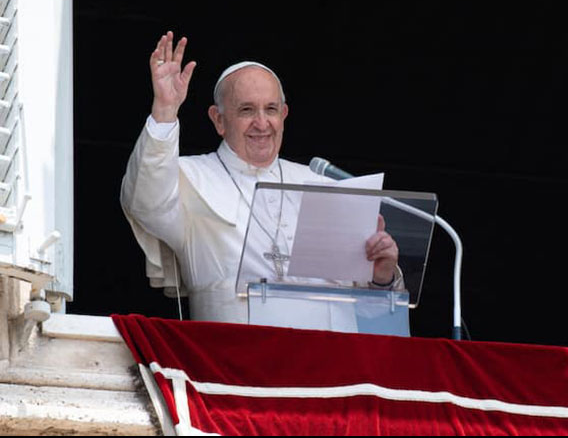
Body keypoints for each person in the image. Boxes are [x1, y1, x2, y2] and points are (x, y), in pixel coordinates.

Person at [121, 32, 402, 325]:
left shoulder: (322, 184)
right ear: (218, 119)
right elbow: (146, 202)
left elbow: (371, 313)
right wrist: (165, 110)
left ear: (284, 114)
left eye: (270, 109)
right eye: (246, 110)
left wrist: (382, 277)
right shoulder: (190, 178)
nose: (261, 123)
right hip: (231, 363)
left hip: (331, 366)